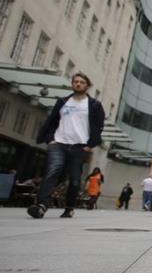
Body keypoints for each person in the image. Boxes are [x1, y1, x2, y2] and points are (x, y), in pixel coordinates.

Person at [28, 73, 105, 219]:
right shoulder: (63, 101)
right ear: (72, 84)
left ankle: (69, 207)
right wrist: (50, 139)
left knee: (75, 179)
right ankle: (41, 206)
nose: (78, 84)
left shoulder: (94, 105)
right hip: (59, 143)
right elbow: (52, 120)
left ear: (87, 86)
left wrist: (90, 145)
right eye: (75, 81)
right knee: (53, 171)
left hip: (80, 146)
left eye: (82, 82)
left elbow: (99, 126)